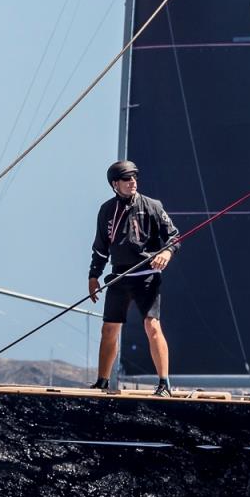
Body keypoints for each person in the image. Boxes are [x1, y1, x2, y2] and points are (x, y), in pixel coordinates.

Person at [87, 161, 179, 396]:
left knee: (152, 325)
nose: (133, 182)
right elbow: (100, 247)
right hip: (119, 276)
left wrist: (166, 253)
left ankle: (164, 384)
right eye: (127, 179)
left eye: (135, 178)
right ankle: (102, 382)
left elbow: (174, 237)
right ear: (115, 184)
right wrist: (93, 275)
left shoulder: (152, 206)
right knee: (109, 329)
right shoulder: (106, 210)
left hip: (147, 275)